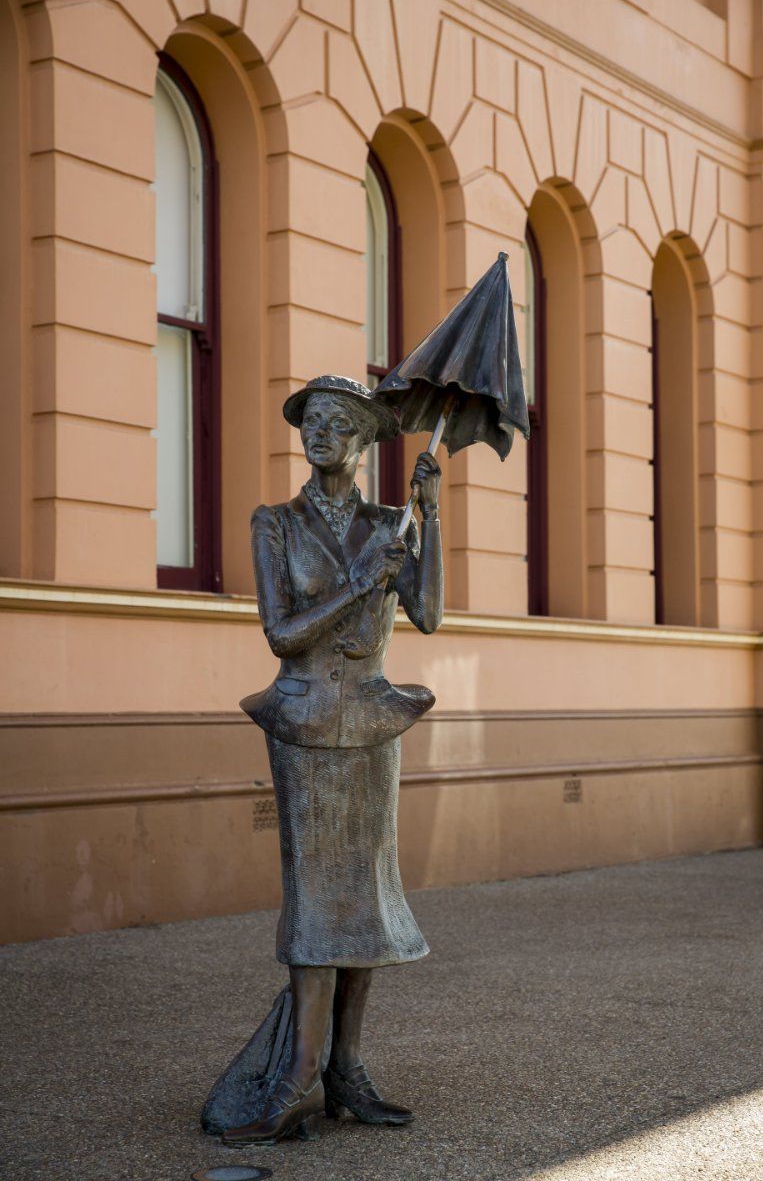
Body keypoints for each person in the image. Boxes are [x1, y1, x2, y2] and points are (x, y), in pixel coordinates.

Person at [222, 374, 444, 1147]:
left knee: (366, 902)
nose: (318, 433)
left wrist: (431, 522)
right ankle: (296, 1076)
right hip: (306, 722)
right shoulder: (275, 524)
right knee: (317, 903)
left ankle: (346, 1071)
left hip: (373, 725)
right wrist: (355, 586)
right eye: (310, 421)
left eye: (334, 422)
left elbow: (431, 613)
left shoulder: (392, 522)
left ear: (362, 439)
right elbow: (282, 634)